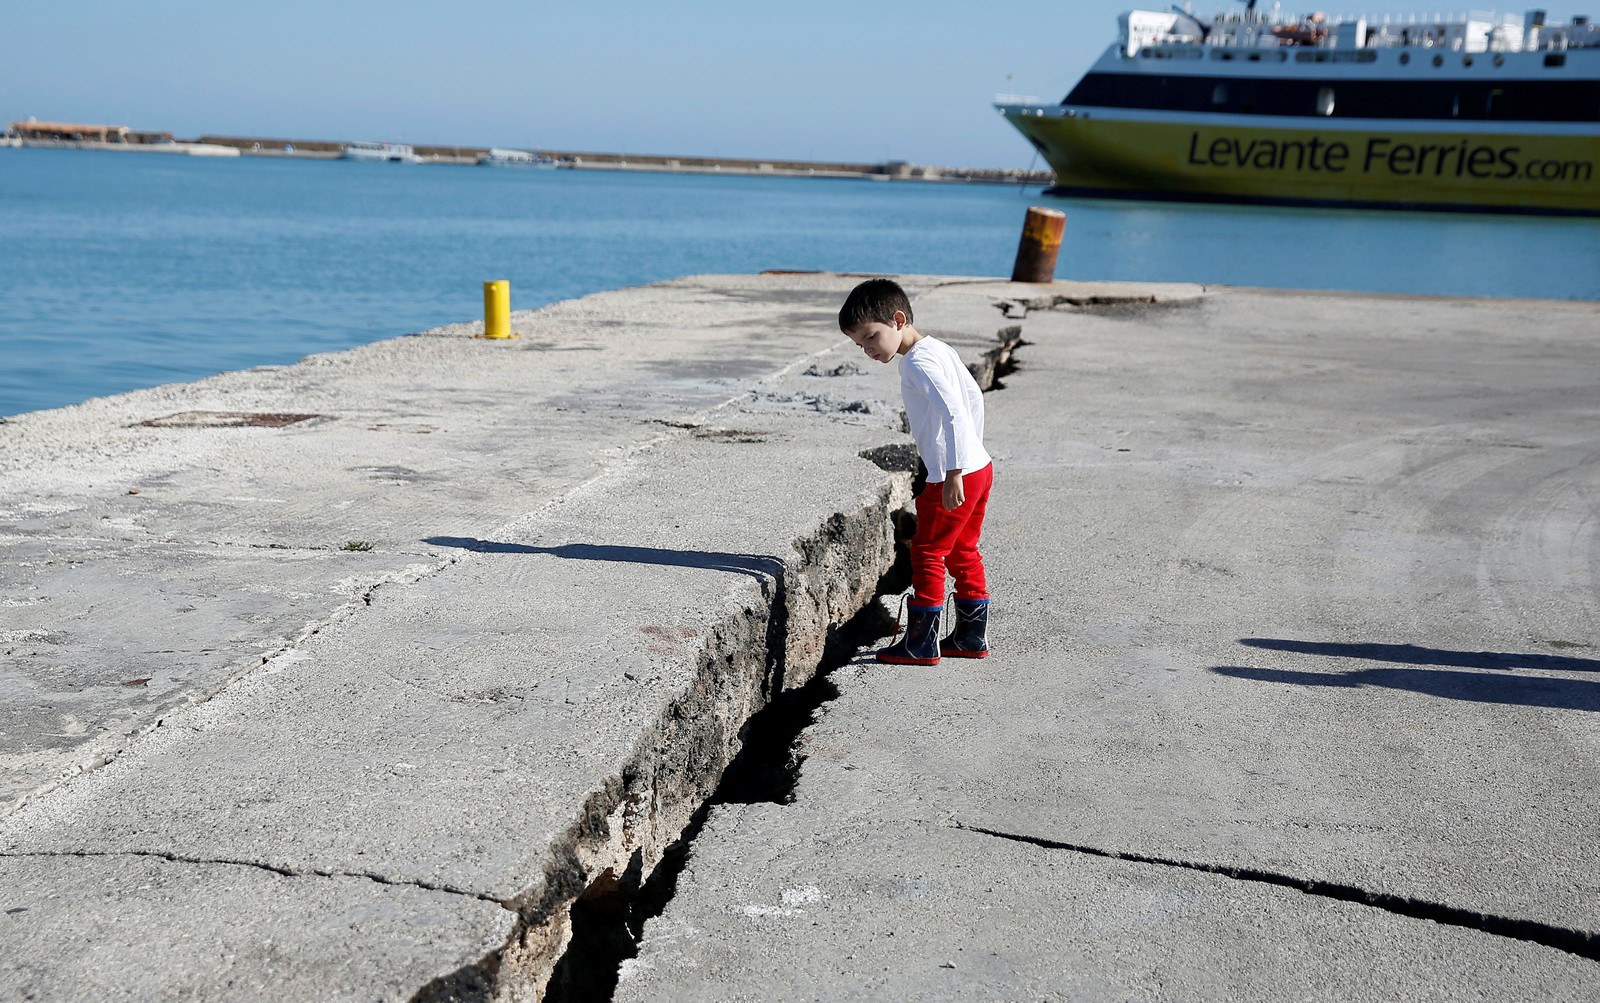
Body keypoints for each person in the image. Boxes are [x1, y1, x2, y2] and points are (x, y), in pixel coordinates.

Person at [838, 278, 993, 665]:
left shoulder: (919, 362)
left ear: (898, 319)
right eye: (860, 345)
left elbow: (954, 411)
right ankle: (971, 637)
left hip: (954, 474)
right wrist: (973, 452)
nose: (869, 350)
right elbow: (973, 398)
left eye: (871, 337)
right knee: (962, 549)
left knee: (927, 550)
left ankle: (921, 643)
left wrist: (954, 470)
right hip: (979, 466)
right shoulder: (938, 349)